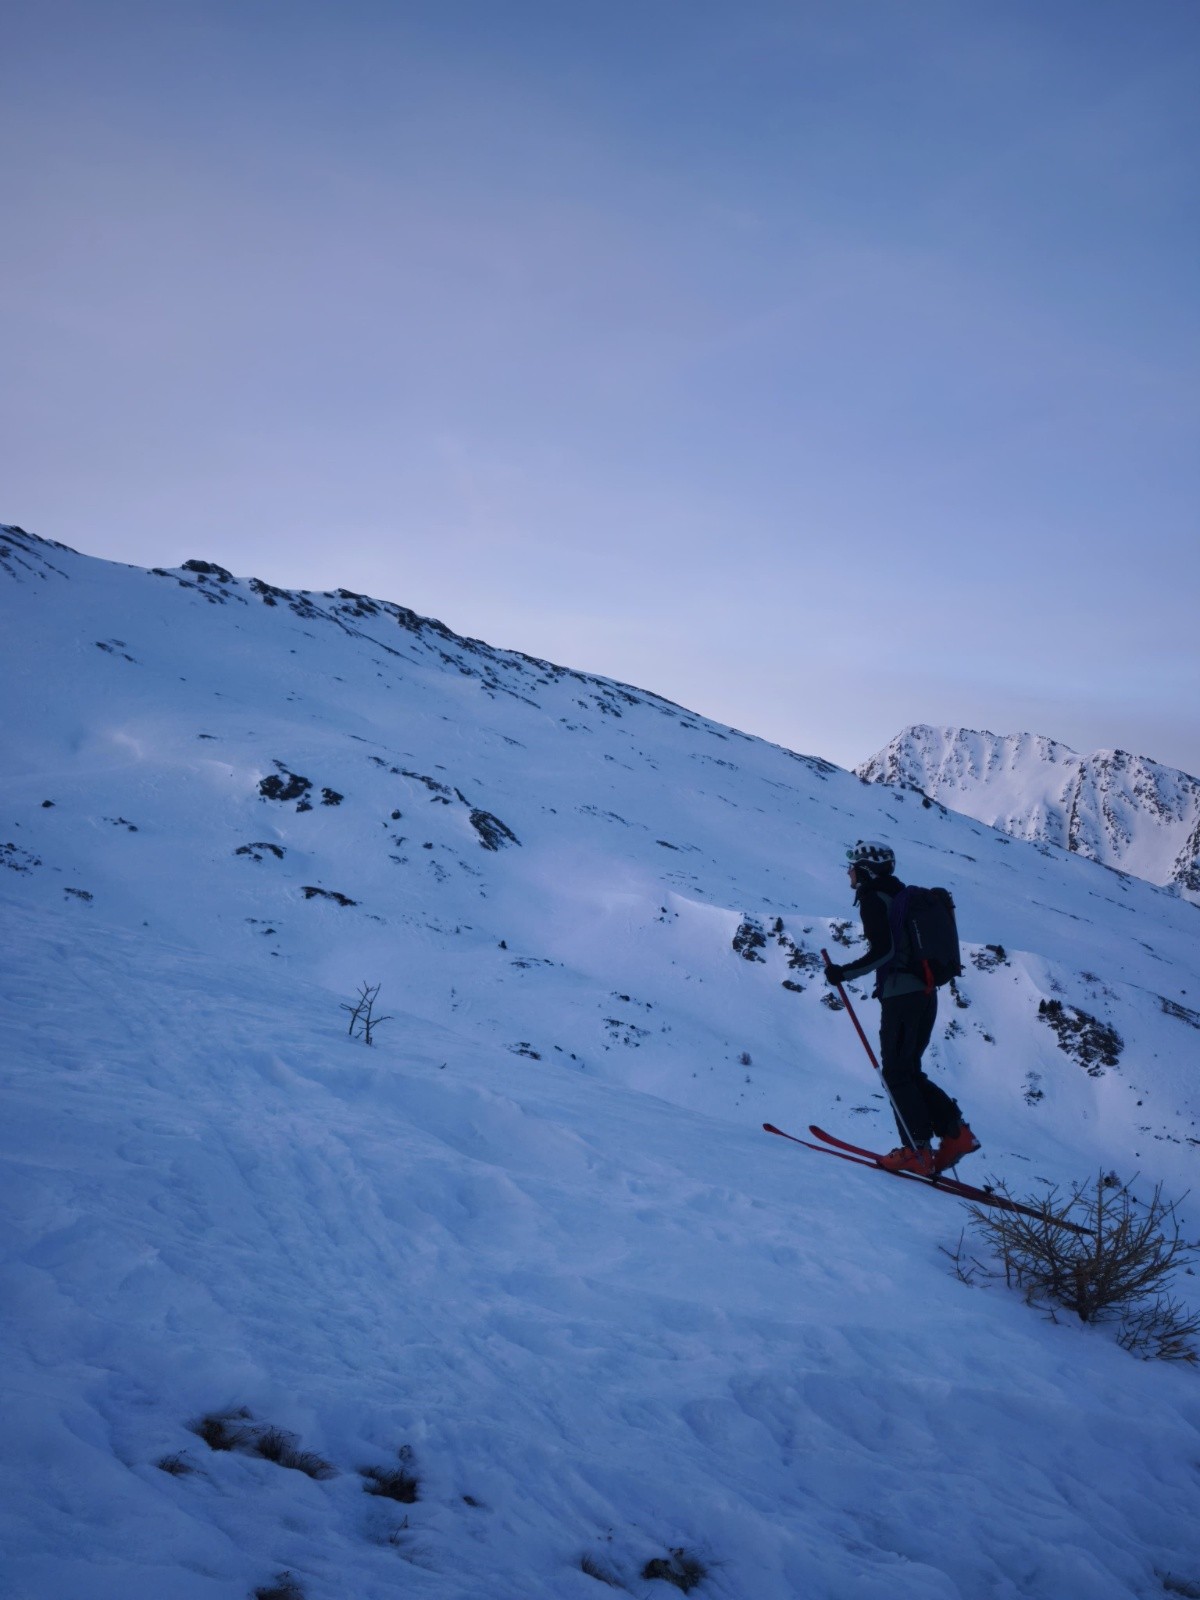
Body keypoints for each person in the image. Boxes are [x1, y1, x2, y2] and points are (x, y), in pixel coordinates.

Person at [823, 840, 979, 1175]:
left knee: (896, 1072)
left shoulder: (873, 898)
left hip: (902, 995)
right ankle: (956, 1134)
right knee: (907, 1070)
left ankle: (916, 1150)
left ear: (865, 869)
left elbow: (884, 952)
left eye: (851, 866)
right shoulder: (902, 895)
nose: (848, 872)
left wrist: (843, 973)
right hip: (925, 993)